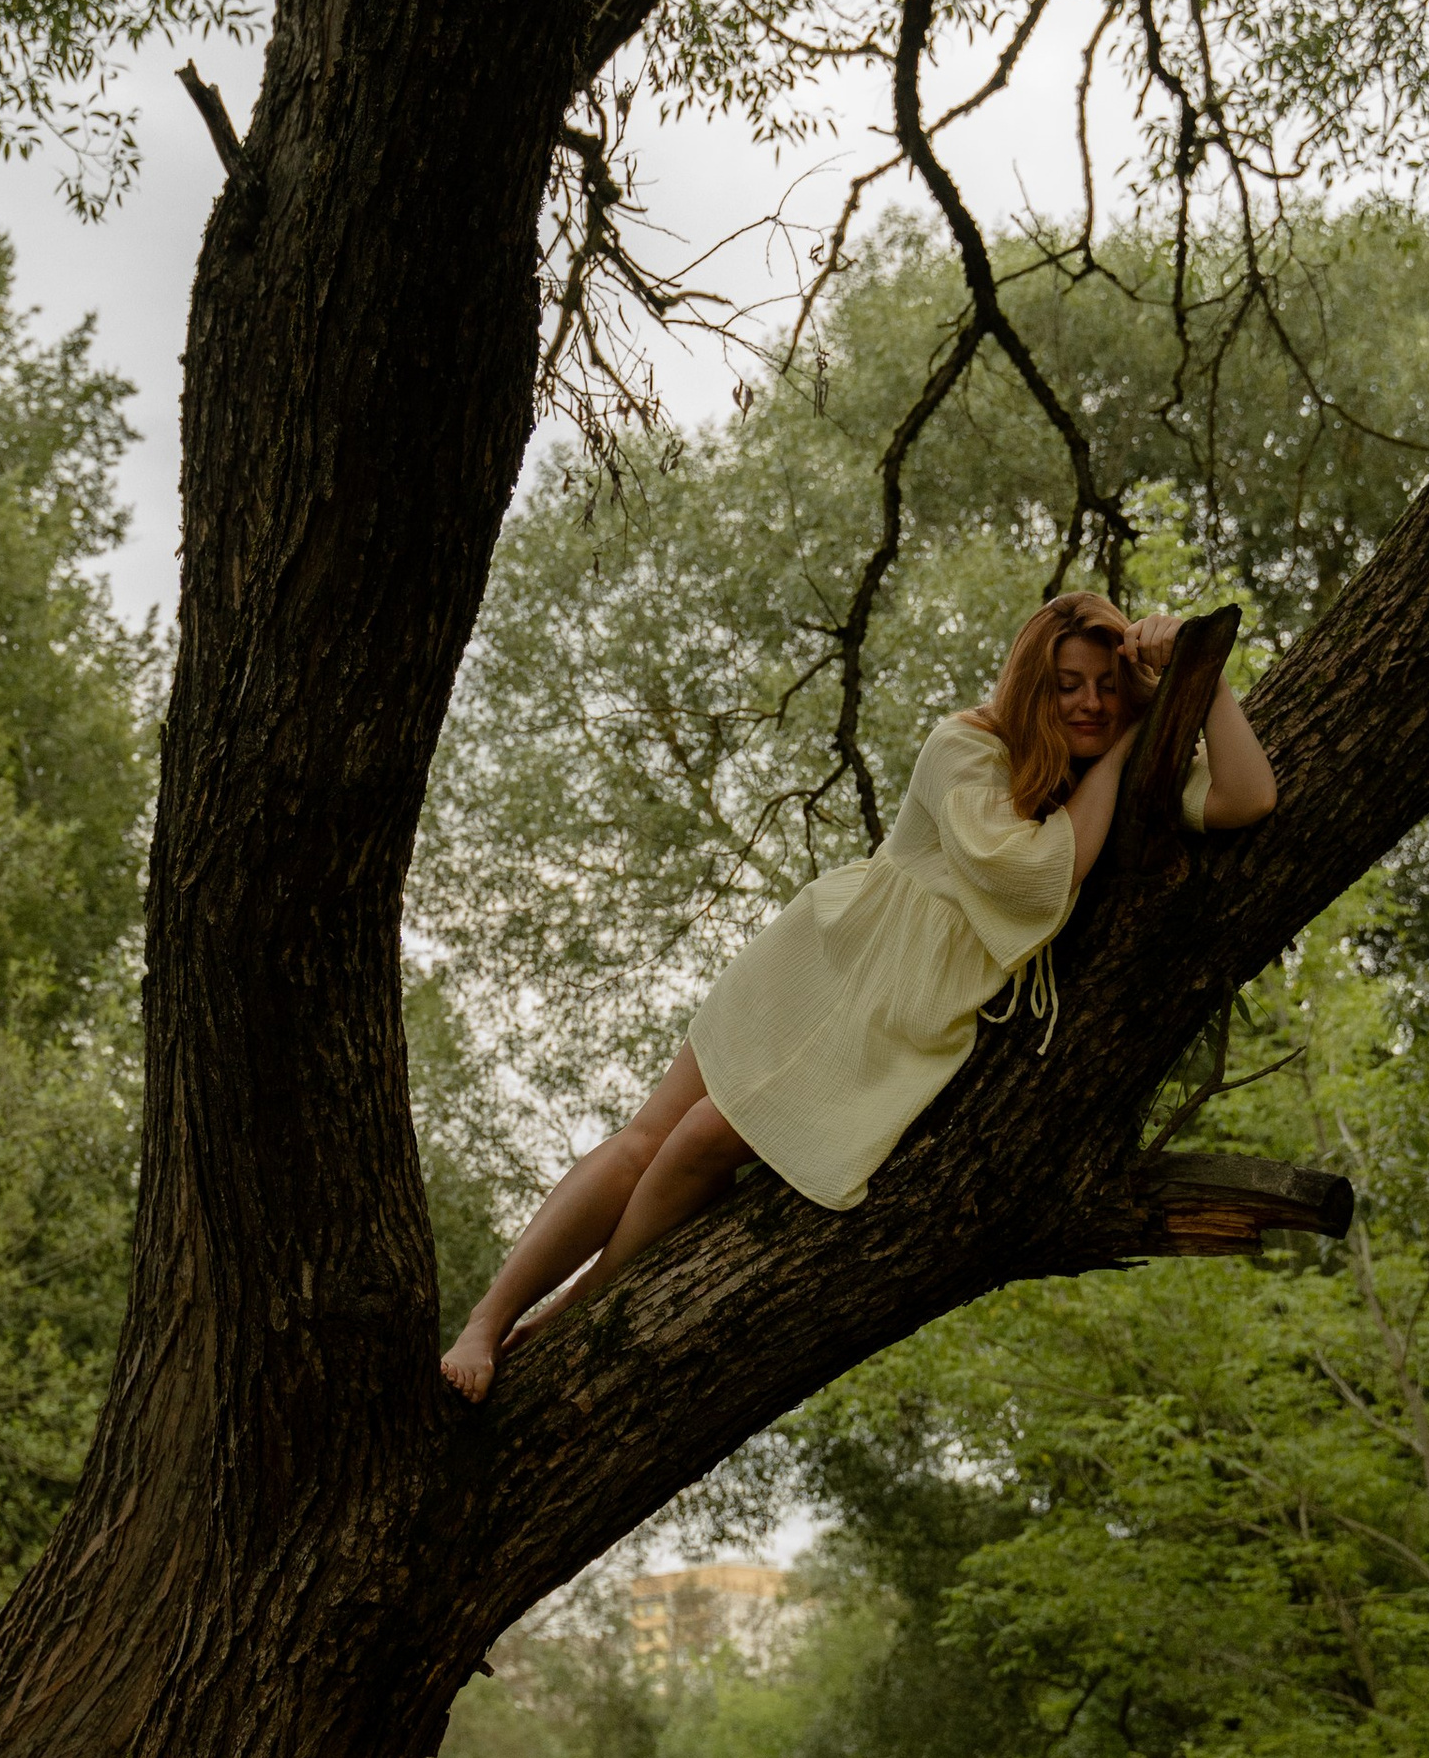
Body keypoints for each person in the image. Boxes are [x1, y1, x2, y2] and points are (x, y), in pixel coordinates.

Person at [439, 594, 1278, 1402]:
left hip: (899, 1007)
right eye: (1067, 685)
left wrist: (1203, 681)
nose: (1090, 704)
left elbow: (1249, 797)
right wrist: (1127, 746)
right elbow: (1031, 876)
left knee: (703, 1136)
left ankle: (579, 1309)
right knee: (650, 1135)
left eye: (1106, 685)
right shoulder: (967, 745)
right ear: (1032, 686)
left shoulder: (1113, 771)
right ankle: (487, 1319)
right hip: (829, 956)